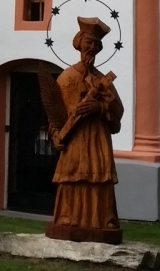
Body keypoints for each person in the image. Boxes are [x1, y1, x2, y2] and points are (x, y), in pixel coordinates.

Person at [46, 17, 124, 244]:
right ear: (79, 42)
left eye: (96, 45)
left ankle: (103, 220)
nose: (91, 48)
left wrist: (99, 108)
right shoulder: (67, 77)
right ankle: (67, 218)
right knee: (72, 175)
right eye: (88, 42)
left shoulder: (103, 81)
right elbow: (55, 112)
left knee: (99, 177)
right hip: (75, 139)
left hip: (97, 138)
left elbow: (118, 113)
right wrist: (55, 134)